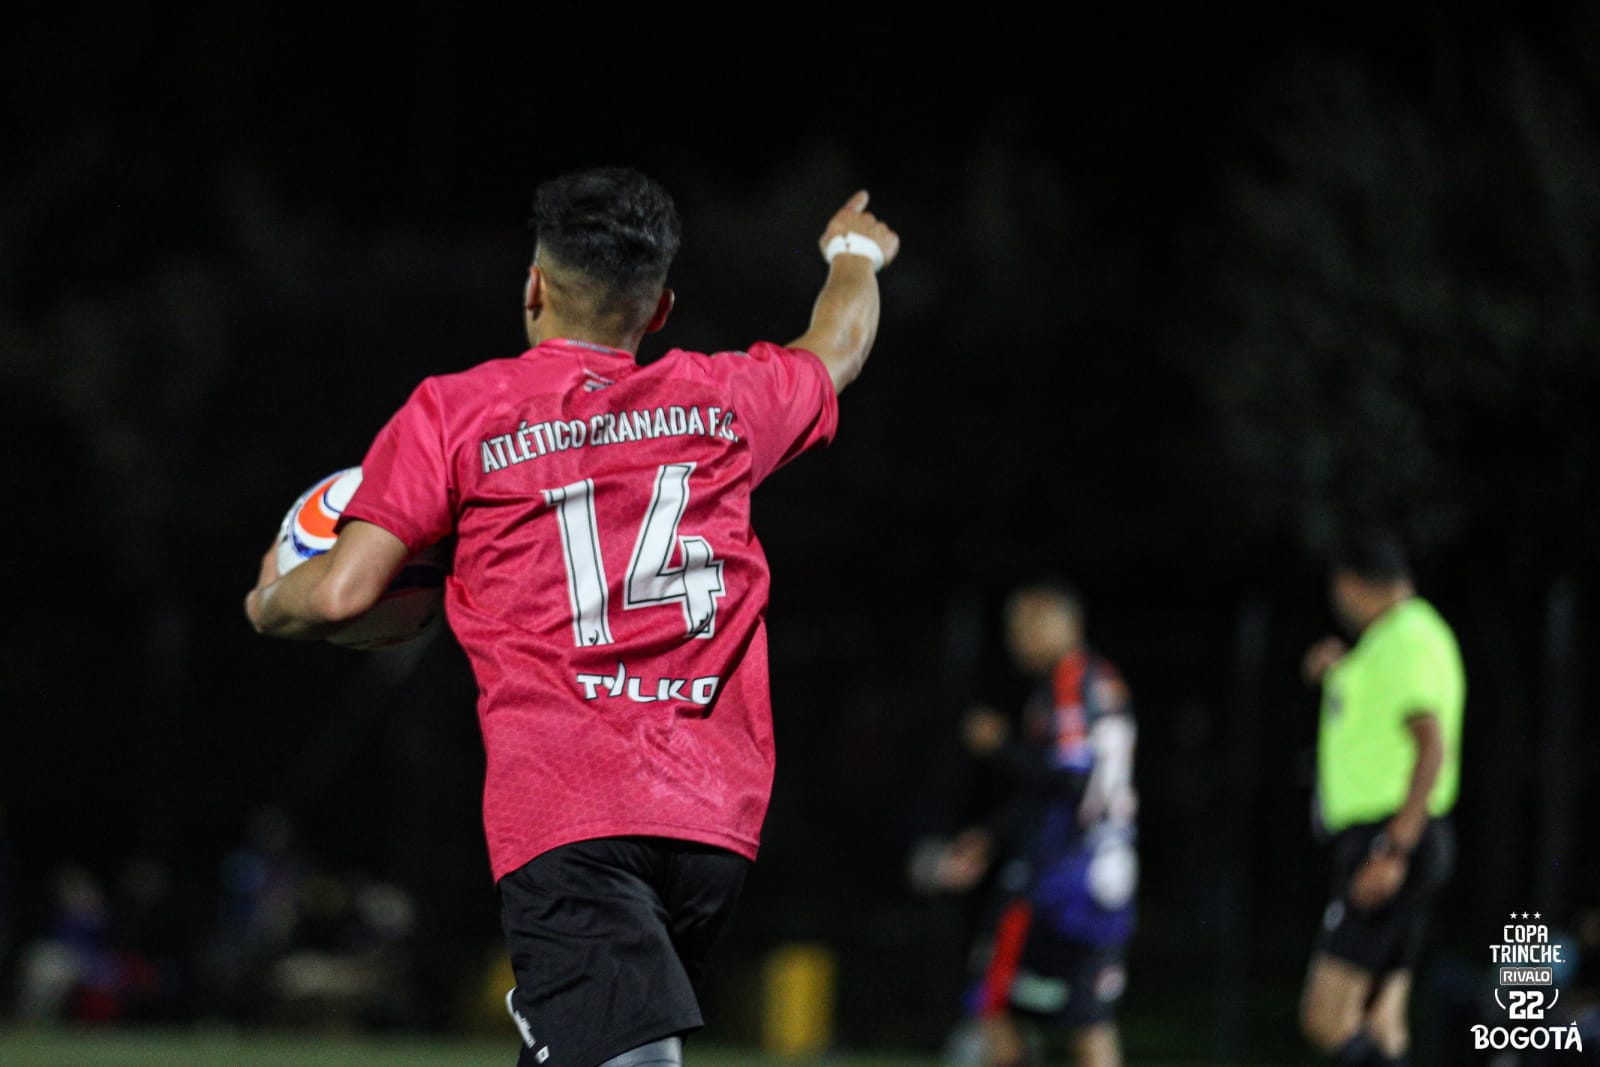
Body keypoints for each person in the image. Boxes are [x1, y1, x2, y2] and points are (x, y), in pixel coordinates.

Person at [245, 167, 898, 1067]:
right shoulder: (723, 400)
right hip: (713, 824)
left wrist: (269, 596)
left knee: (628, 1057)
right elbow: (839, 345)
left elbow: (345, 591)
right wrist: (854, 254)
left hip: (571, 811)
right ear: (659, 306)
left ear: (534, 285)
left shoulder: (454, 412)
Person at [920, 581, 1137, 1067]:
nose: (1015, 640)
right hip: (1110, 869)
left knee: (992, 1003)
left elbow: (1069, 775)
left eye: (1022, 626)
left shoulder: (1068, 679)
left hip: (1060, 874)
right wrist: (993, 835)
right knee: (1088, 1021)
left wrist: (998, 745)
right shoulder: (1104, 679)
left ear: (1056, 624)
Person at [1298, 533, 1464, 1066]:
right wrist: (1339, 670)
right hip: (1402, 840)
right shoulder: (1393, 640)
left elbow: (1431, 745)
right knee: (1382, 1020)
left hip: (1389, 840)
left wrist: (1392, 849)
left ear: (1350, 586)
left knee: (1325, 1018)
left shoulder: (1408, 638)